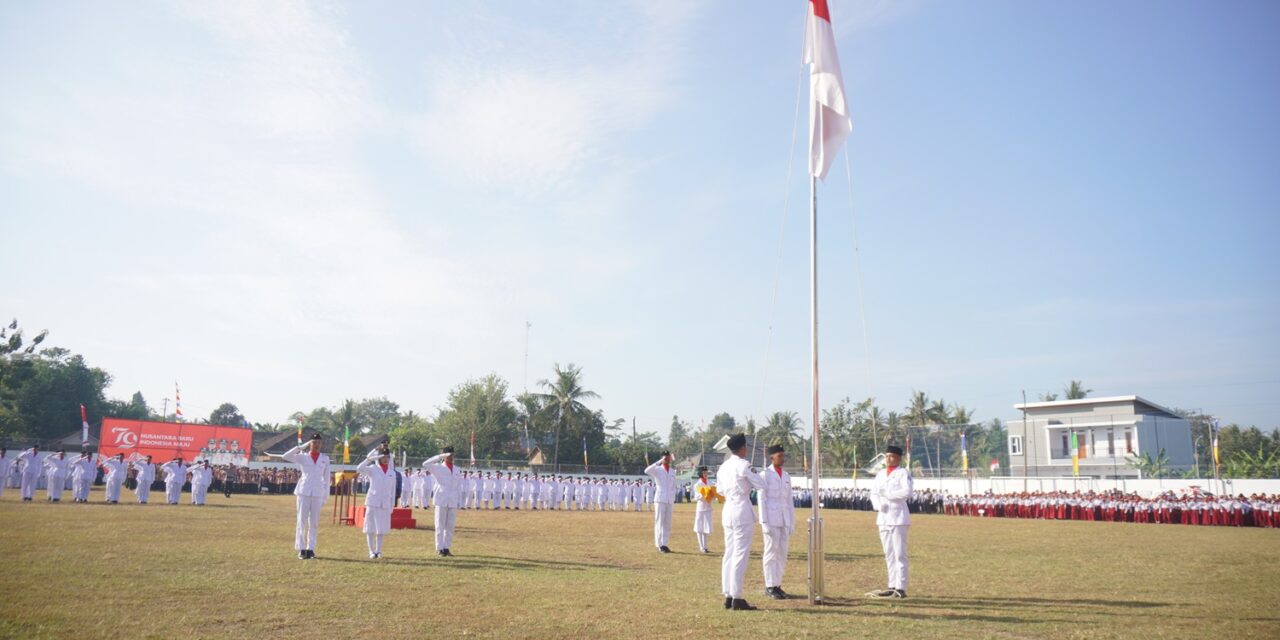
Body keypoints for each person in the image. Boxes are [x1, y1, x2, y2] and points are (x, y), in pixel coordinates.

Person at [718, 433, 766, 611]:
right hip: (741, 510)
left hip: (728, 510)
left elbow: (720, 490)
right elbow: (761, 484)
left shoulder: (723, 467)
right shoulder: (744, 465)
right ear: (743, 448)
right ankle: (737, 597)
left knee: (729, 553)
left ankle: (728, 595)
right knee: (740, 554)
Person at [867, 444, 912, 599]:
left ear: (898, 458)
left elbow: (907, 492)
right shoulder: (880, 474)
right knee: (889, 554)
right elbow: (873, 493)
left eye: (891, 456)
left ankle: (901, 587)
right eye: (886, 456)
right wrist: (878, 505)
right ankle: (892, 584)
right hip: (884, 517)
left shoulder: (902, 473)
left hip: (898, 517)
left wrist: (888, 494)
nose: (888, 459)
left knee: (900, 554)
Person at [280, 433, 330, 560]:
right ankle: (301, 549)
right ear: (310, 444)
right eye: (314, 442)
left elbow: (327, 477)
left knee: (314, 522)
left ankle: (311, 548)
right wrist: (300, 447)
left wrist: (325, 496)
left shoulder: (325, 458)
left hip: (318, 492)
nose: (317, 445)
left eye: (319, 442)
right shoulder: (302, 457)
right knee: (301, 521)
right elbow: (285, 456)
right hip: (304, 491)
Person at [758, 444, 796, 600]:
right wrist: (764, 522)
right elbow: (761, 499)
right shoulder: (765, 475)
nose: (782, 458)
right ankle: (769, 585)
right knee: (770, 552)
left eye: (783, 455)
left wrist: (791, 522)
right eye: (779, 455)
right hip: (771, 519)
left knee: (782, 553)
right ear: (771, 457)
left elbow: (789, 501)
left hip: (784, 518)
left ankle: (778, 584)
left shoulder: (786, 476)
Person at [357, 443, 397, 559]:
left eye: (387, 457)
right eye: (383, 457)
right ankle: (371, 551)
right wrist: (372, 457)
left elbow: (392, 491)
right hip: (373, 501)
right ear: (379, 458)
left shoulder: (392, 473)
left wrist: (392, 505)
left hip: (384, 503)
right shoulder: (373, 469)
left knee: (381, 528)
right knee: (370, 527)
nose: (385, 459)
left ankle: (378, 551)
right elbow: (359, 468)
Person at [422, 447, 463, 557]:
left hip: (453, 500)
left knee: (450, 526)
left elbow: (458, 486)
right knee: (440, 525)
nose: (451, 457)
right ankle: (439, 548)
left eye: (452, 454)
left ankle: (446, 548)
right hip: (441, 499)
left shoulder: (457, 469)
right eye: (448, 455)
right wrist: (439, 457)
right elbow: (425, 464)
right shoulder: (438, 468)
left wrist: (459, 500)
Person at [644, 451, 678, 553]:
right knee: (659, 522)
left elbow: (673, 486)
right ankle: (659, 545)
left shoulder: (672, 471)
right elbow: (647, 470)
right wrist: (659, 462)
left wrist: (673, 498)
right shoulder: (657, 469)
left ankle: (665, 544)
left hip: (669, 499)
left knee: (667, 523)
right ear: (662, 459)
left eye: (668, 458)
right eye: (665, 458)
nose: (667, 460)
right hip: (660, 499)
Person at [692, 466, 721, 554]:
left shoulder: (710, 482)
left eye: (706, 473)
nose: (705, 474)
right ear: (700, 474)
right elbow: (697, 497)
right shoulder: (697, 484)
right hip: (701, 507)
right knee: (699, 528)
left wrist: (713, 494)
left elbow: (715, 492)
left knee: (706, 528)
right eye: (704, 473)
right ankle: (701, 547)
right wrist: (705, 494)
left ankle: (705, 546)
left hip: (708, 507)